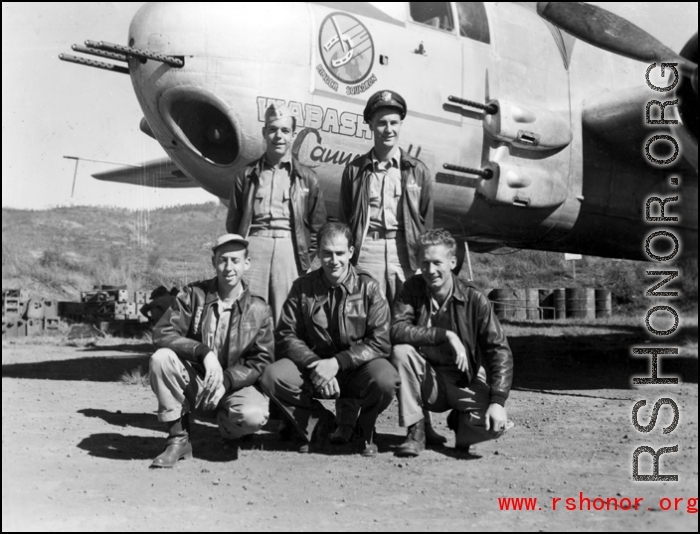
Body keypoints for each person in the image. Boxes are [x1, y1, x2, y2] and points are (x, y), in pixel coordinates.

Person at [335, 89, 441, 445]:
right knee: (357, 334)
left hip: (403, 256)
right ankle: (350, 423)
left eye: (394, 122)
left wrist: (421, 267)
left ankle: (418, 426)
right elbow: (348, 218)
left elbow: (424, 223)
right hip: (366, 253)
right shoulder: (354, 171)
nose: (388, 129)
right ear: (370, 126)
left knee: (408, 336)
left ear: (401, 125)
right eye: (381, 122)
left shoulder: (417, 172)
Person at [260, 222, 400, 457]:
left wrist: (337, 363)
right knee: (272, 376)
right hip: (316, 368)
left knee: (386, 379)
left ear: (351, 253)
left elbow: (380, 341)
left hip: (357, 369)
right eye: (326, 253)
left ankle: (364, 431)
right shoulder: (302, 287)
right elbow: (285, 334)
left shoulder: (369, 287)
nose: (333, 260)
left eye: (340, 253)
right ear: (318, 254)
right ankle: (320, 427)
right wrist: (317, 364)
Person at [148, 234, 274, 468]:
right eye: (222, 260)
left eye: (235, 261)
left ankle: (230, 429)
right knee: (161, 358)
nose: (229, 267)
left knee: (253, 416)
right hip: (197, 383)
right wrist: (203, 352)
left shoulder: (259, 309)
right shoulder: (193, 295)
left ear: (246, 264)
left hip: (234, 387)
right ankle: (178, 439)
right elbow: (162, 333)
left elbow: (261, 360)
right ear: (213, 262)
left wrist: (227, 380)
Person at [391, 229, 514, 457]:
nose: (430, 270)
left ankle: (460, 423)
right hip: (428, 380)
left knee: (495, 427)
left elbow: (499, 350)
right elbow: (396, 330)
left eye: (437, 262)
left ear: (452, 262)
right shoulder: (412, 289)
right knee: (401, 352)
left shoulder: (474, 298)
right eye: (425, 262)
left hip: (463, 379)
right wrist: (444, 335)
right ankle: (417, 430)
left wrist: (498, 402)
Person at [226, 103, 327, 323]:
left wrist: (303, 260)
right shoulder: (246, 175)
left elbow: (318, 227)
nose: (278, 136)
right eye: (272, 130)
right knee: (248, 314)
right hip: (254, 248)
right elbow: (234, 222)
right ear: (264, 133)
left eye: (284, 130)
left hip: (289, 250)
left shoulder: (307, 178)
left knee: (287, 316)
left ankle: (283, 358)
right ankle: (250, 357)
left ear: (293, 136)